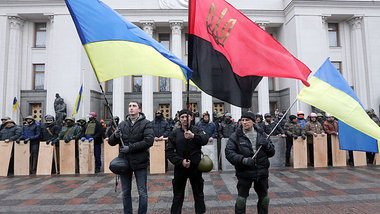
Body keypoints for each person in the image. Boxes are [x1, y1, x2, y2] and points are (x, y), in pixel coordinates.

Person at [108, 101, 154, 214]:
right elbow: (111, 142)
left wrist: (130, 148)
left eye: (134, 106)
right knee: (125, 192)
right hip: (124, 162)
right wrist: (115, 136)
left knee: (142, 192)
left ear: (139, 109)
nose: (131, 108)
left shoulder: (146, 123)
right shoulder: (122, 124)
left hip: (140, 161)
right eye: (129, 106)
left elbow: (149, 141)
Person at [225, 111, 275, 214]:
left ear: (253, 122)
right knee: (241, 200)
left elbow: (271, 153)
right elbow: (229, 153)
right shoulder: (235, 136)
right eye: (242, 120)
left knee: (264, 198)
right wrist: (243, 160)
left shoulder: (263, 135)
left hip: (261, 173)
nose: (244, 122)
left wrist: (268, 146)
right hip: (244, 173)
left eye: (247, 120)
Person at [166, 109, 208, 214]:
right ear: (179, 119)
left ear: (191, 118)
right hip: (180, 168)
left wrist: (193, 136)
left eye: (187, 117)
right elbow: (169, 152)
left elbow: (205, 139)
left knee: (198, 194)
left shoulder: (197, 130)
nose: (185, 119)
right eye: (182, 117)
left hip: (196, 168)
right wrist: (181, 161)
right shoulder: (174, 133)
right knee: (178, 196)